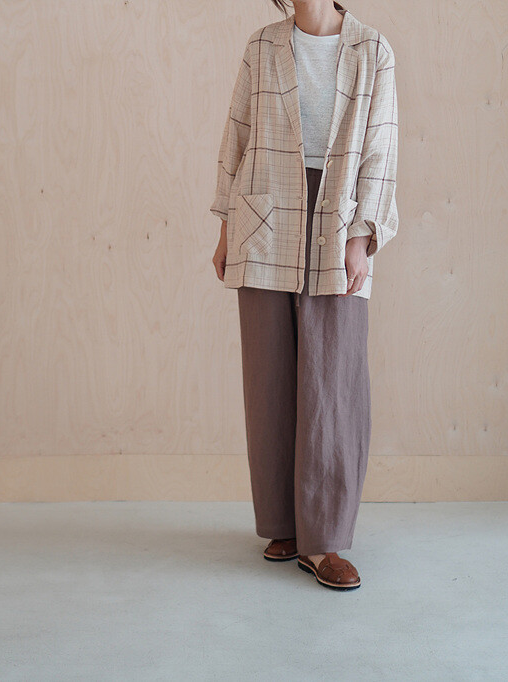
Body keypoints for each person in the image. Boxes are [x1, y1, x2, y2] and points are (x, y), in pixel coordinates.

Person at [209, 0, 398, 590]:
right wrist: (225, 230)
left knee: (332, 379)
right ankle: (283, 525)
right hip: (263, 214)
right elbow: (237, 137)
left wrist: (363, 236)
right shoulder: (262, 45)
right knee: (269, 375)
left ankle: (325, 539)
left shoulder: (373, 49)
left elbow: (380, 150)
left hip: (337, 215)